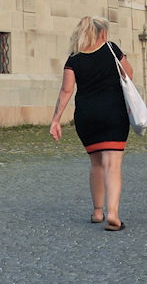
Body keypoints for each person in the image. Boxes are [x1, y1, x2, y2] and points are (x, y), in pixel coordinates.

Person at [49, 16, 132, 230]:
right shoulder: (111, 49)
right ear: (102, 33)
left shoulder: (74, 58)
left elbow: (67, 90)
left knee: (96, 163)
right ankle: (112, 213)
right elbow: (128, 73)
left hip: (87, 117)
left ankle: (97, 211)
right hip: (113, 113)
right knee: (112, 164)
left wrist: (56, 120)